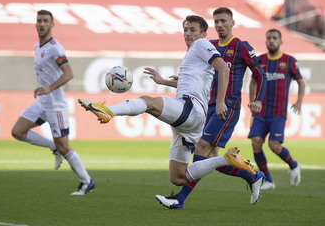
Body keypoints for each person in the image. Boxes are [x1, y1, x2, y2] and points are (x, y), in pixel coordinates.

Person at [78, 15, 256, 204]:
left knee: (149, 102)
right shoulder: (195, 53)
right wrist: (164, 81)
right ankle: (226, 159)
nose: (188, 33)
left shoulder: (200, 45)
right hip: (192, 117)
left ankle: (109, 111)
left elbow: (224, 68)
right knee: (178, 177)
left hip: (191, 107)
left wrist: (220, 101)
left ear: (204, 34)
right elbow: (196, 82)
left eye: (192, 30)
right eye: (185, 29)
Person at [155, 7, 267, 209]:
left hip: (227, 106)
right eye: (216, 22)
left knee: (201, 150)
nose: (220, 25)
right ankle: (253, 176)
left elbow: (260, 75)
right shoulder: (208, 45)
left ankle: (179, 199)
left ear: (232, 23)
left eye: (224, 21)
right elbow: (197, 81)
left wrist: (256, 100)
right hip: (207, 107)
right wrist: (165, 81)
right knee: (212, 159)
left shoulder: (241, 46)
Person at [11, 10, 95, 195]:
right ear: (36, 23)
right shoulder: (38, 47)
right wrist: (42, 88)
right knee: (17, 131)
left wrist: (49, 88)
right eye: (39, 21)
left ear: (52, 24)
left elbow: (68, 73)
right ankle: (52, 147)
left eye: (45, 21)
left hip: (56, 105)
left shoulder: (56, 48)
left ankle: (86, 181)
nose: (41, 24)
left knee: (64, 147)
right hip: (42, 102)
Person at [248, 28, 305, 189]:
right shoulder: (259, 61)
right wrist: (253, 101)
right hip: (260, 112)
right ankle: (268, 180)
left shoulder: (289, 61)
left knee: (274, 145)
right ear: (266, 41)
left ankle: (294, 165)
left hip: (278, 113)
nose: (272, 41)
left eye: (275, 38)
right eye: (269, 38)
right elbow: (253, 81)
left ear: (280, 41)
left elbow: (301, 81)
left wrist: (299, 101)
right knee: (256, 142)